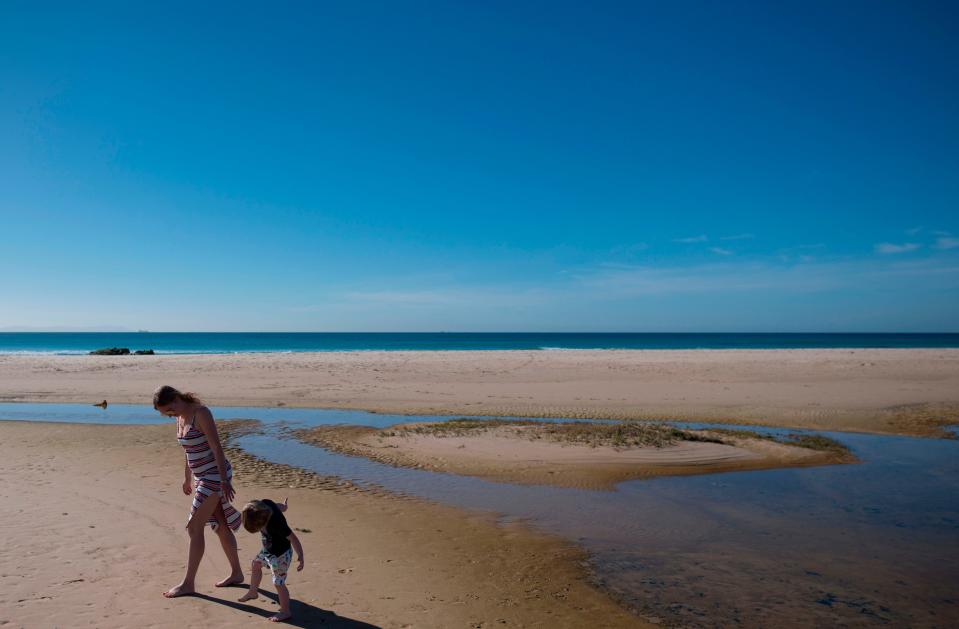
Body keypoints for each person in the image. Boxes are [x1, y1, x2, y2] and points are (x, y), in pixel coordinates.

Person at [153, 385, 244, 598]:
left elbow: (216, 448)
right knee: (220, 526)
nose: (170, 415)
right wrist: (187, 477)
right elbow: (189, 450)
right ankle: (237, 573)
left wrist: (223, 480)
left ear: (176, 399)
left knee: (194, 527)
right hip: (201, 477)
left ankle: (188, 584)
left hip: (214, 476)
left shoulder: (201, 414)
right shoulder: (180, 417)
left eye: (169, 411)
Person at [238, 498, 305, 623]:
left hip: (281, 555)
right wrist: (284, 507)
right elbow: (277, 506)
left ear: (263, 521)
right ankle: (253, 592)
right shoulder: (265, 504)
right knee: (256, 564)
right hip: (268, 549)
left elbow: (293, 538)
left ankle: (285, 611)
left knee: (278, 583)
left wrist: (300, 556)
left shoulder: (277, 524)